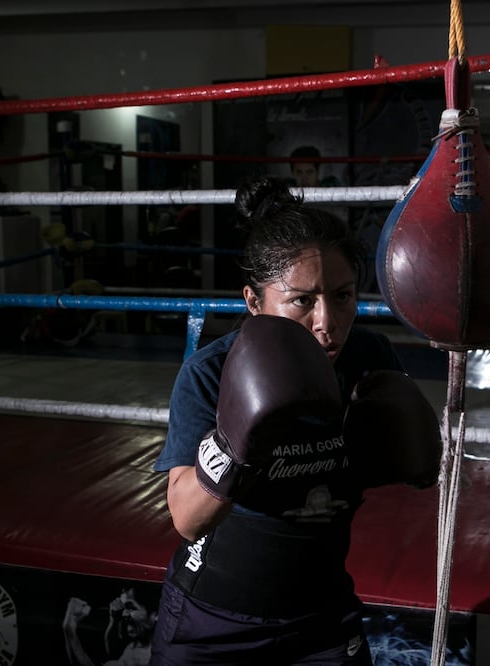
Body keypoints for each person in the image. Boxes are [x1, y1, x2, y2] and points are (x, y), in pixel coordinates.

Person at [150, 175, 442, 664]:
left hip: (321, 618)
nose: (326, 321)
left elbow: (414, 468)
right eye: (303, 300)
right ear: (253, 301)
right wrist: (234, 443)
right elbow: (185, 518)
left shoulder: (370, 356)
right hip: (213, 621)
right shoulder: (212, 372)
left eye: (343, 296)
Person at [63, 587, 159, 666]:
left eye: (131, 607)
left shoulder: (143, 658)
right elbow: (113, 654)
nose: (124, 614)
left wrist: (69, 626)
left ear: (154, 616)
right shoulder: (139, 645)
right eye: (124, 608)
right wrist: (114, 620)